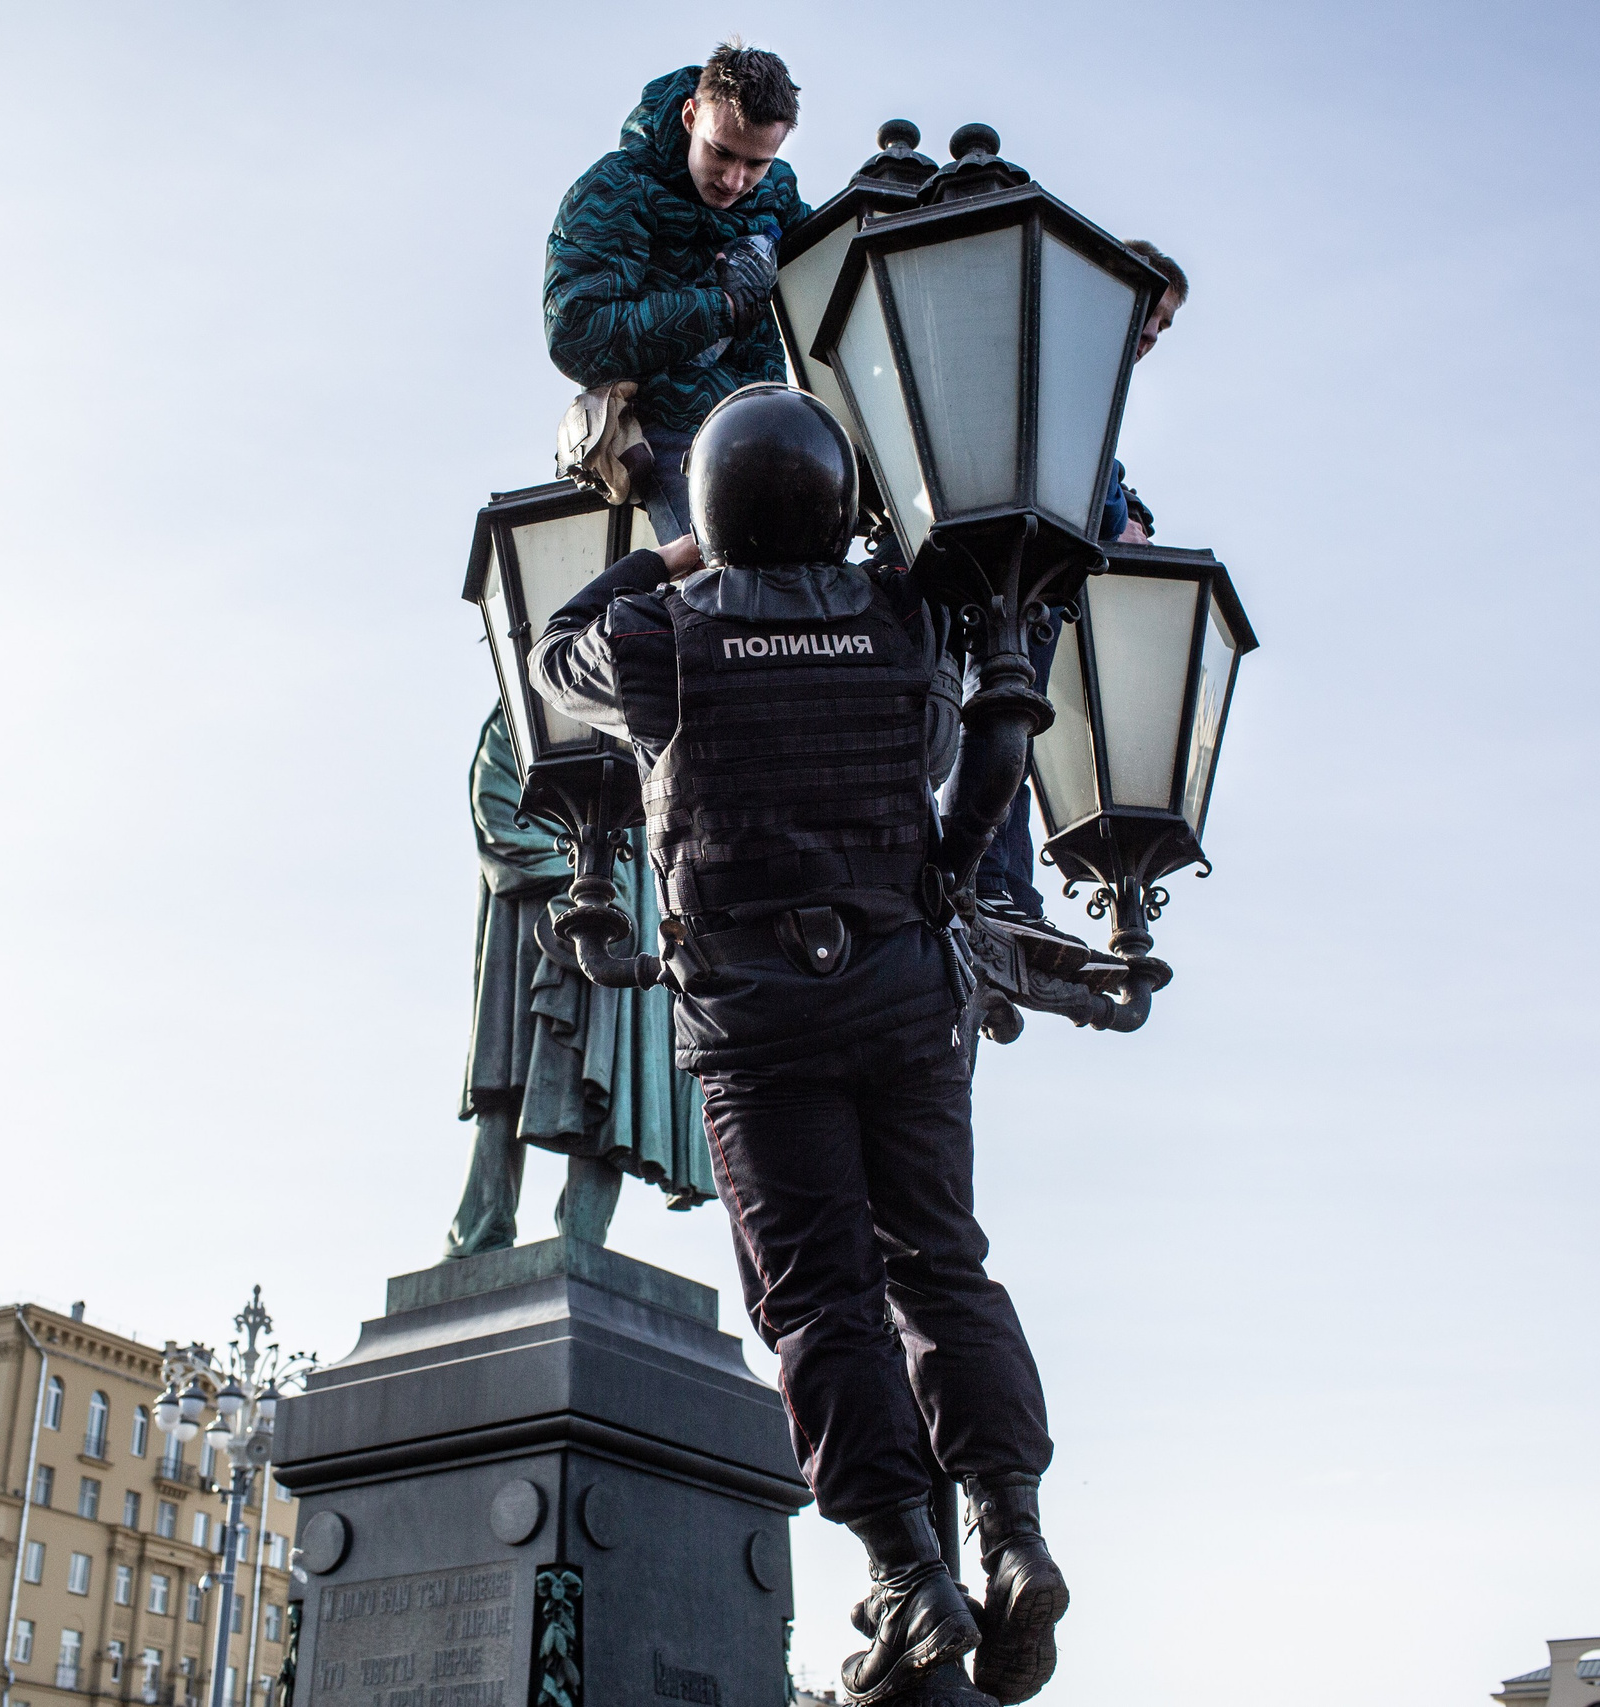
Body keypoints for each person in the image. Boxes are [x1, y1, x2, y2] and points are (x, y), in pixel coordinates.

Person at [528, 385, 1066, 1707]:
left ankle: (906, 1568)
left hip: (755, 1013)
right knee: (941, 1266)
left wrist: (666, 556)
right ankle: (1009, 1523)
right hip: (901, 989)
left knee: (819, 1301)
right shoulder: (897, 622)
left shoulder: (662, 637)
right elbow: (952, 744)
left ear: (712, 514)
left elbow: (552, 650)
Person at [972, 240, 1190, 935]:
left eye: (1166, 326)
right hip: (1023, 582)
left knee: (1014, 725)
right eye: (1150, 313)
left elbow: (1104, 476)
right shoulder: (1073, 363)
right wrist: (1120, 519)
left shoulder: (1076, 361)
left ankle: (1003, 886)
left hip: (1030, 584)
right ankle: (994, 885)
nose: (1153, 335)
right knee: (1006, 721)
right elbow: (1082, 487)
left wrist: (1129, 507)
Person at [449, 705, 715, 1257]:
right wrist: (581, 880)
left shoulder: (638, 713)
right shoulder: (517, 718)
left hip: (627, 918)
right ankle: (482, 1230)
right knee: (507, 1078)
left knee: (614, 1080)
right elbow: (498, 813)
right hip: (531, 926)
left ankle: (584, 1241)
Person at [543, 40, 814, 544]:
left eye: (756, 163)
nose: (735, 180)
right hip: (674, 433)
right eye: (721, 152)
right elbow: (576, 333)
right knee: (721, 587)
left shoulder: (777, 193)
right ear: (691, 116)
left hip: (776, 430)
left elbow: (827, 283)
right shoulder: (613, 191)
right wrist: (720, 307)